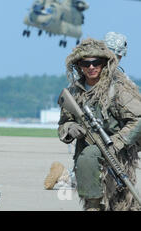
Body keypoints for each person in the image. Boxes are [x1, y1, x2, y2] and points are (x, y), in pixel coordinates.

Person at [57, 38, 141, 211]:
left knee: (122, 202)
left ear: (105, 64)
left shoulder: (117, 89)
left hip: (118, 155)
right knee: (92, 203)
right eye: (85, 63)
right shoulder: (74, 92)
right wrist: (70, 128)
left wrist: (116, 143)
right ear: (78, 65)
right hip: (88, 156)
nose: (91, 67)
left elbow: (138, 120)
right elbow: (63, 124)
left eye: (97, 63)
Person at [43, 32, 130, 191]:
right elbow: (67, 117)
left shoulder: (121, 83)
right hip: (93, 141)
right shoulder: (81, 84)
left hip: (115, 143)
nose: (92, 67)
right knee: (90, 181)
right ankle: (64, 176)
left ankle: (65, 175)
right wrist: (70, 128)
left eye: (118, 56)